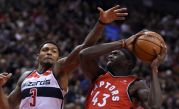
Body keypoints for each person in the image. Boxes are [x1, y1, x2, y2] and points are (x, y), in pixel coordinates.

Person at [0, 5, 128, 109]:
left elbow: (83, 48)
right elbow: (8, 106)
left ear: (58, 57)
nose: (49, 52)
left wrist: (101, 23)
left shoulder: (59, 70)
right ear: (38, 56)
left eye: (54, 51)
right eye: (45, 50)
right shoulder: (25, 76)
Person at [79, 31, 167, 109]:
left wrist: (154, 69)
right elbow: (83, 55)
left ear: (128, 62)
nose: (110, 55)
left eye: (116, 53)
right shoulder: (99, 76)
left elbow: (154, 106)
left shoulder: (135, 84)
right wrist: (122, 43)